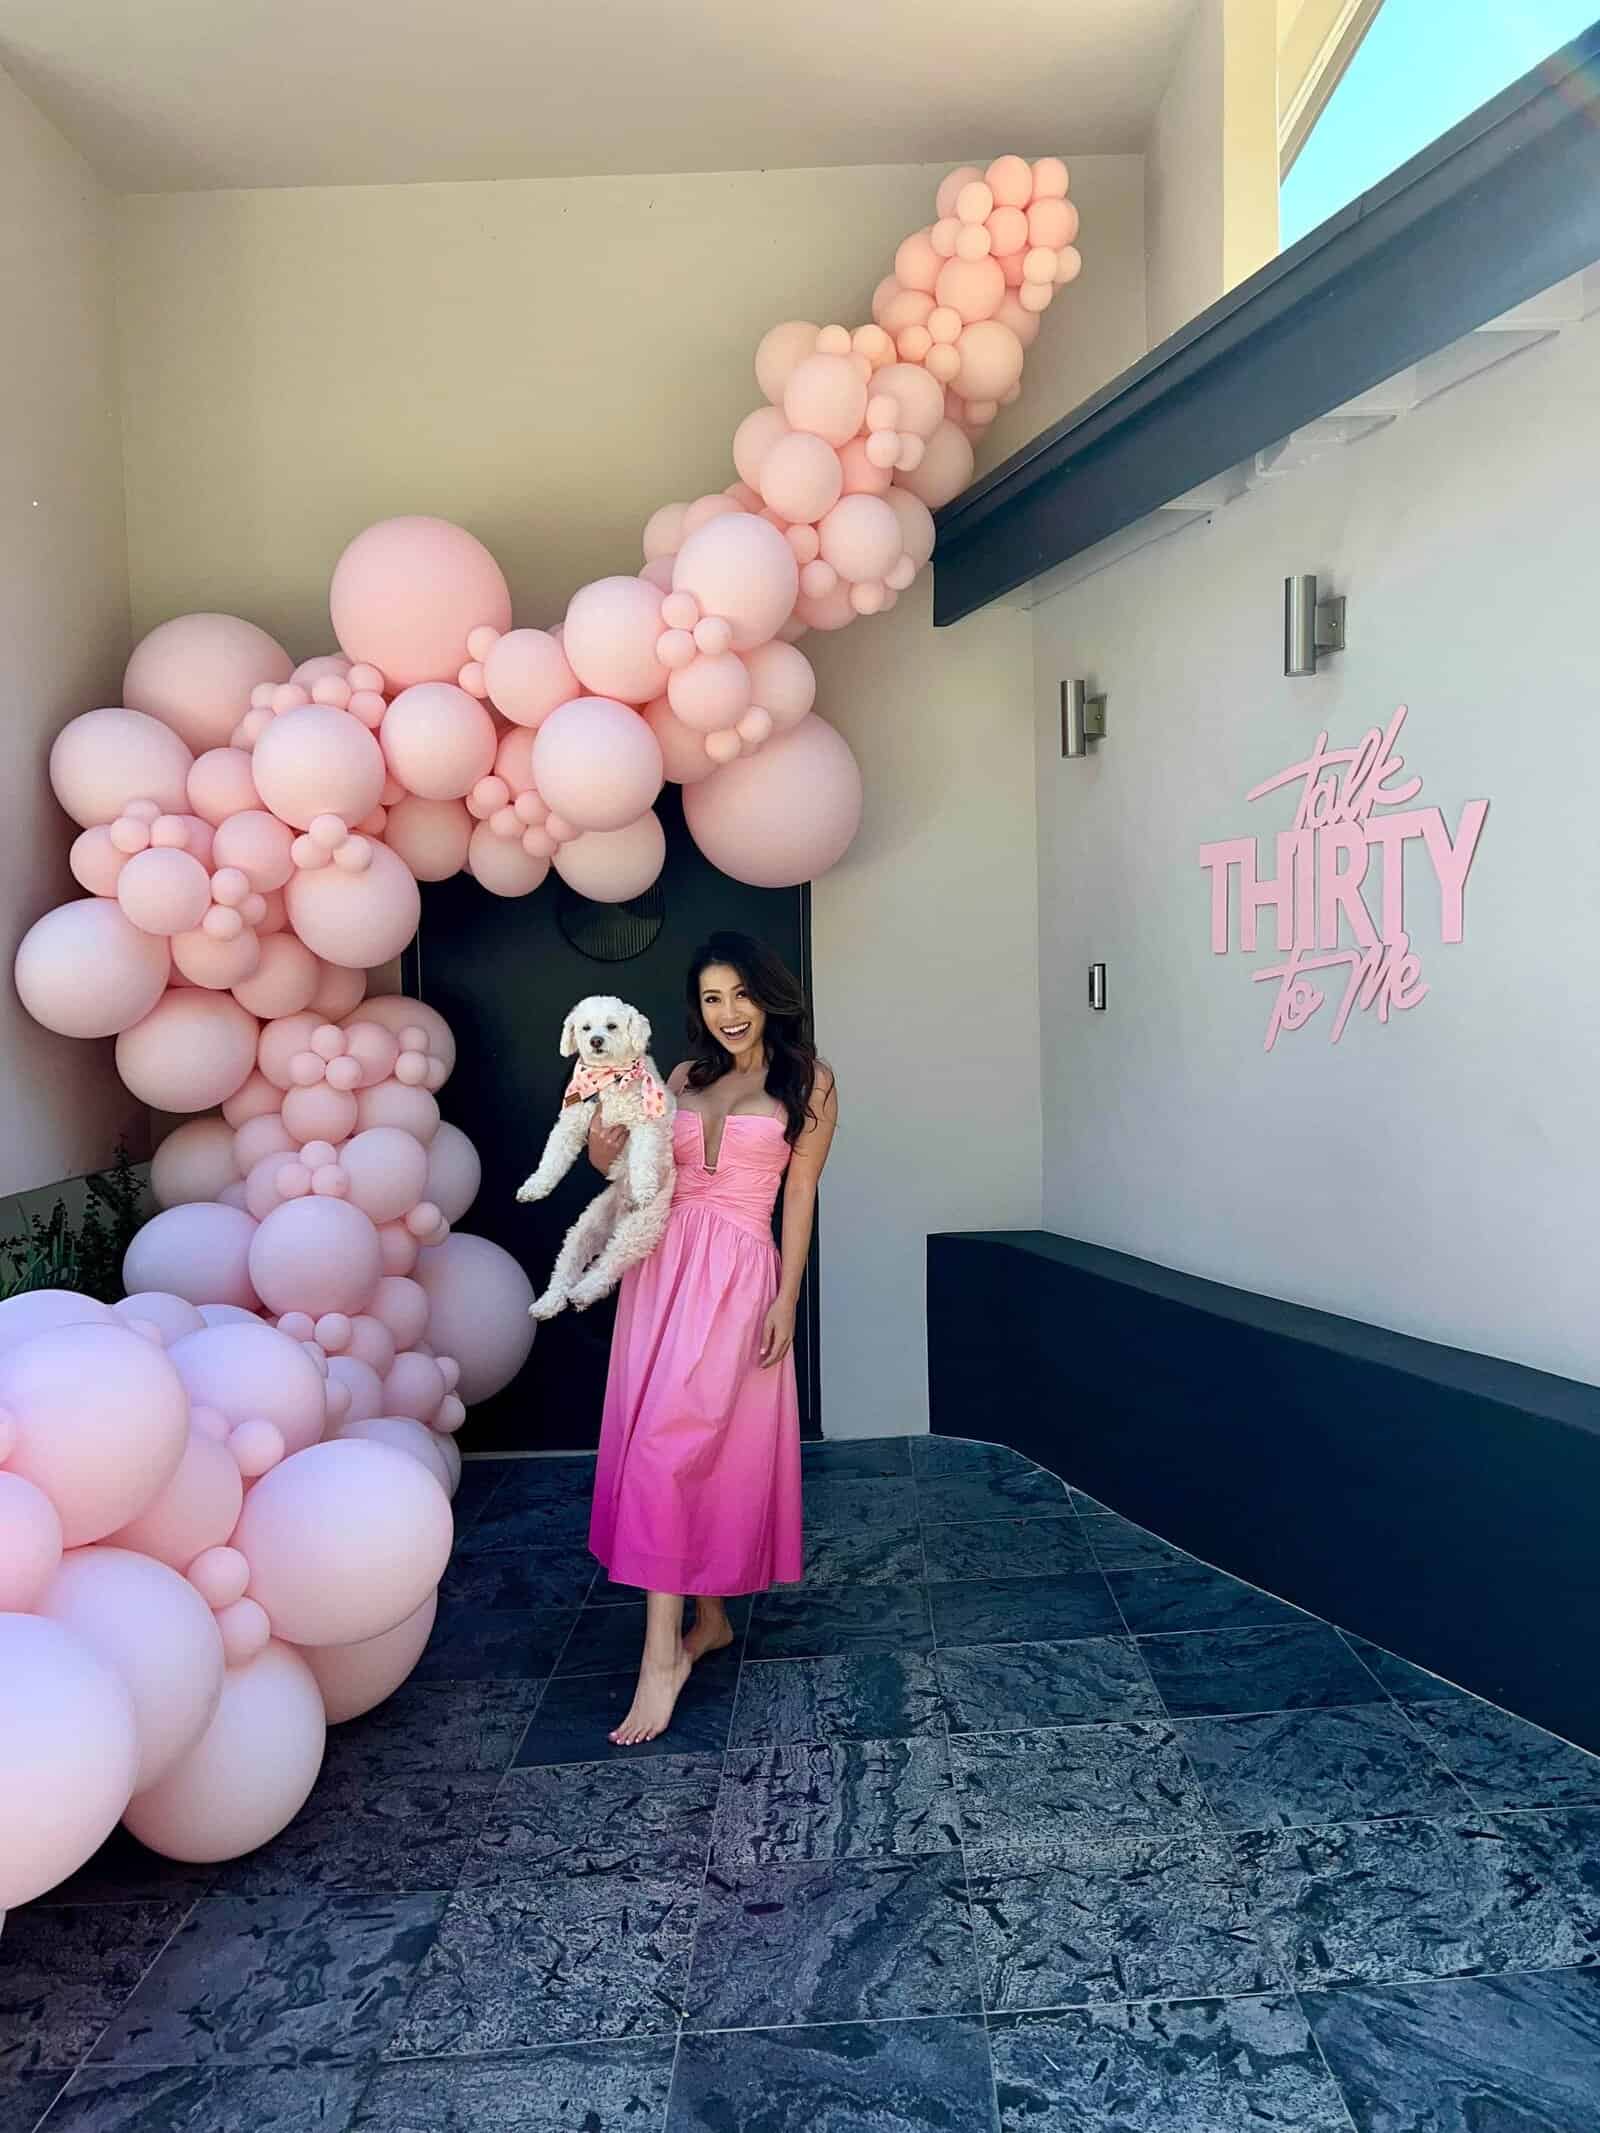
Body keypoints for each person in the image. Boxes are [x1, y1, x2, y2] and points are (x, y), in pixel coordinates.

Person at [585, 932, 837, 1745]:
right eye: (711, 998)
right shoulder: (685, 1077)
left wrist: (787, 1297)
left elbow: (798, 1196)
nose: (727, 1012)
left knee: (681, 1446)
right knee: (671, 1442)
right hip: (663, 1269)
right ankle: (708, 1622)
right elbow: (631, 1171)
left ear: (769, 994)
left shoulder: (810, 1084)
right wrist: (603, 1146)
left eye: (739, 993)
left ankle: (664, 1658)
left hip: (738, 1279)